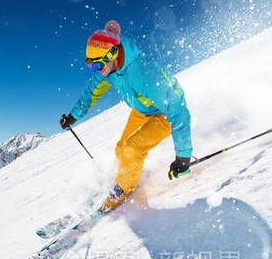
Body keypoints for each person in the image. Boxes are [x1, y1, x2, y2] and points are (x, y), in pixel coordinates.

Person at [60, 20, 193, 212]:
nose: (98, 70)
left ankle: (124, 189)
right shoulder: (108, 69)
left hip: (164, 114)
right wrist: (74, 116)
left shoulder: (145, 72)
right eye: (92, 67)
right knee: (121, 148)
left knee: (131, 149)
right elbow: (92, 91)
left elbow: (178, 109)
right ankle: (130, 175)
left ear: (113, 53)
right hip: (142, 110)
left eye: (98, 65)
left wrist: (183, 156)